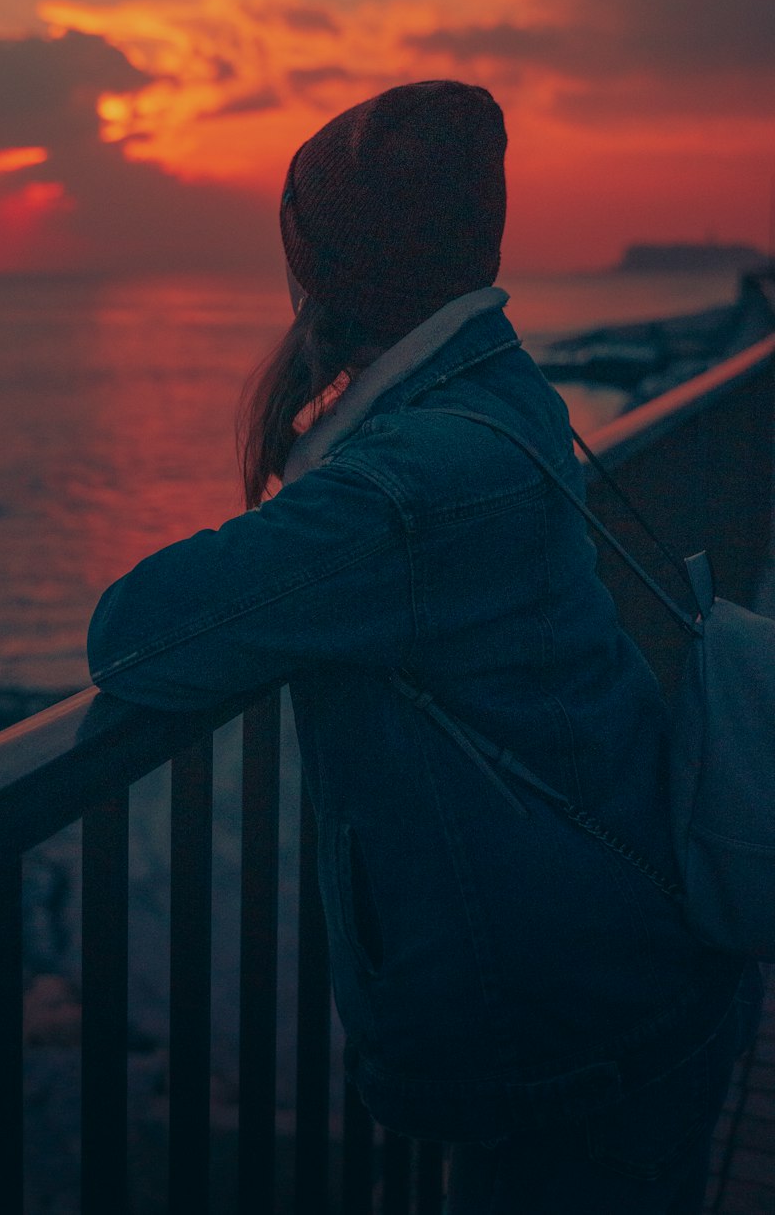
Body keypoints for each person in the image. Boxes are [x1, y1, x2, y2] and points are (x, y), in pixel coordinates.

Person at [87, 81, 761, 1213]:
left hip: (573, 1034)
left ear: (328, 268)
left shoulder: (411, 489)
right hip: (629, 981)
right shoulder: (497, 390)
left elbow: (135, 636)